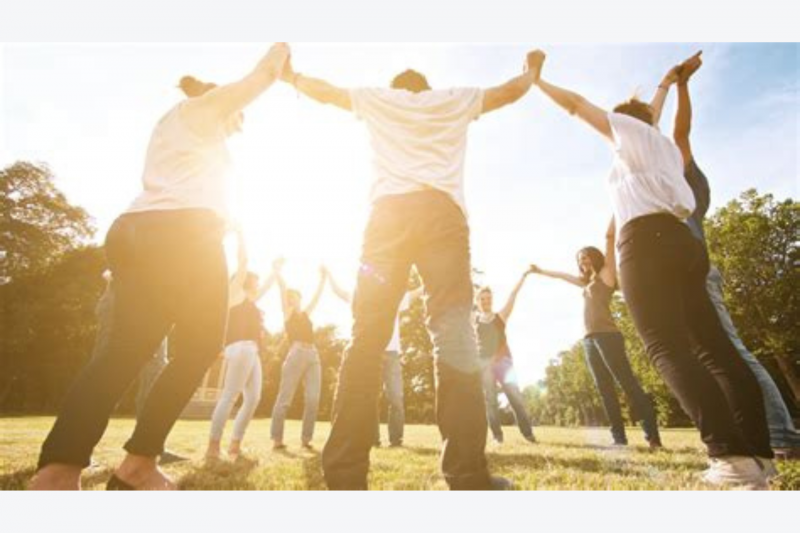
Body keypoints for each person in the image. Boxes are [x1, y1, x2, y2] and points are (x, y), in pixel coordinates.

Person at [281, 46, 545, 490]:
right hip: (442, 216)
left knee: (366, 338)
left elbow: (327, 93)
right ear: (425, 87)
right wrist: (532, 69)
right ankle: (466, 474)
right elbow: (509, 92)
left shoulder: (379, 99)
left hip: (387, 217)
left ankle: (344, 475)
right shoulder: (453, 99)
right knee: (454, 336)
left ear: (397, 89)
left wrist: (290, 77)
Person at [30, 43, 289, 490]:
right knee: (200, 346)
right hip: (183, 233)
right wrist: (283, 54)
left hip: (137, 230)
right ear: (221, 102)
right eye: (238, 119)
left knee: (122, 352)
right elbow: (262, 76)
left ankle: (58, 471)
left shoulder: (174, 126)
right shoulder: (203, 109)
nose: (238, 126)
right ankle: (139, 463)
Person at [532, 51, 773, 489]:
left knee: (666, 347)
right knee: (716, 349)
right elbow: (657, 116)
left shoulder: (626, 134)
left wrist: (538, 80)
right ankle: (758, 455)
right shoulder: (659, 144)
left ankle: (731, 457)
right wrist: (672, 82)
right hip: (684, 243)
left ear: (623, 124)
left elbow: (577, 105)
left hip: (645, 242)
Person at [651, 54, 800, 463]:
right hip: (683, 279)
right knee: (715, 357)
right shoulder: (663, 189)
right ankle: (756, 432)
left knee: (731, 352)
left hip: (698, 277)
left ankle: (784, 435)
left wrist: (680, 86)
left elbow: (678, 132)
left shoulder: (684, 178)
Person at [530, 227, 662, 448]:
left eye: (586, 257)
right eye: (580, 260)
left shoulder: (606, 275)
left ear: (594, 257)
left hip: (608, 336)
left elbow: (609, 239)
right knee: (604, 389)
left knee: (627, 383)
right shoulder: (586, 282)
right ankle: (618, 438)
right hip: (589, 339)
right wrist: (541, 271)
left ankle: (652, 435)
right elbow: (562, 276)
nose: (583, 262)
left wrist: (614, 219)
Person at [205, 229, 282, 460]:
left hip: (251, 350)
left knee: (253, 398)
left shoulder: (249, 299)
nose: (258, 286)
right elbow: (243, 262)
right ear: (245, 281)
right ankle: (213, 446)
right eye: (255, 282)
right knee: (230, 395)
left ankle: (235, 444)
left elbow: (266, 287)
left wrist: (275, 271)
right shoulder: (234, 294)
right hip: (240, 347)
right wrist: (240, 236)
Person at [327, 270, 424, 448]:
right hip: (372, 353)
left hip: (392, 353)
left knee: (396, 397)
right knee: (370, 398)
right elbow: (339, 292)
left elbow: (416, 293)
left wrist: (431, 279)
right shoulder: (361, 297)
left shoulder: (394, 298)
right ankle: (373, 439)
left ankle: (396, 440)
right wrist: (328, 274)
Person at [474, 269, 537, 444]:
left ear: (492, 300)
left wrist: (523, 276)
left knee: (515, 398)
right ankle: (497, 437)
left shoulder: (500, 316)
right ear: (477, 302)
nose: (485, 302)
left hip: (503, 362)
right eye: (482, 299)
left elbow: (513, 295)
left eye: (488, 298)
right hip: (484, 364)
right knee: (491, 401)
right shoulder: (474, 320)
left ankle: (528, 434)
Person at [270, 264, 328, 451]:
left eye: (295, 296)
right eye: (290, 297)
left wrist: (323, 279)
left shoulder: (305, 314)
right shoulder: (287, 314)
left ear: (300, 299)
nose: (292, 299)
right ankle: (277, 438)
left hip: (313, 355)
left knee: (313, 398)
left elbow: (317, 297)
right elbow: (282, 289)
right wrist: (277, 272)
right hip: (296, 354)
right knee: (285, 399)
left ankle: (306, 439)